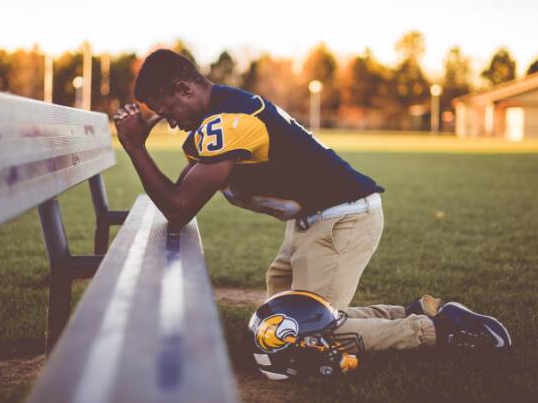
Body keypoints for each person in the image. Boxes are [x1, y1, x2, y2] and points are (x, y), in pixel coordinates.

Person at [113, 49, 510, 362]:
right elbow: (178, 195)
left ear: (185, 89)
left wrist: (133, 147)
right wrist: (139, 147)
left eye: (168, 112)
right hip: (314, 222)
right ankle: (416, 311)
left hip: (341, 220)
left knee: (304, 333)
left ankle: (440, 331)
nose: (170, 123)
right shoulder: (221, 113)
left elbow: (179, 208)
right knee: (280, 322)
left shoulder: (227, 120)